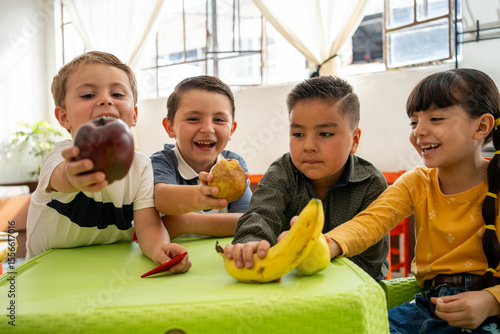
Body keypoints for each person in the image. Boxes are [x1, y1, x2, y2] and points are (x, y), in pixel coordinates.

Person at [325, 68, 500, 333]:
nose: (419, 131)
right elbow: (370, 221)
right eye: (413, 122)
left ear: (481, 126)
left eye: (436, 118)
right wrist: (329, 243)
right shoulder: (415, 182)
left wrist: (490, 301)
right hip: (427, 306)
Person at [26, 51, 191, 274]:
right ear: (64, 117)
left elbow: (148, 224)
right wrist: (73, 176)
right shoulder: (62, 155)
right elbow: (61, 177)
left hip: (108, 273)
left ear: (133, 115)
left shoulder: (141, 166)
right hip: (46, 273)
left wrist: (159, 248)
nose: (106, 100)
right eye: (87, 95)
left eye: (117, 94)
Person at [225, 75, 390, 281]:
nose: (308, 145)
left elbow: (370, 263)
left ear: (354, 140)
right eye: (298, 134)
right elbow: (261, 215)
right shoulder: (281, 172)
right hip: (291, 288)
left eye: (325, 134)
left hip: (353, 290)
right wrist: (251, 243)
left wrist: (316, 257)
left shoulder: (371, 183)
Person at [151, 75, 252, 239]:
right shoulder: (162, 161)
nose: (208, 129)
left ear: (232, 130)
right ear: (170, 127)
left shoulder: (235, 164)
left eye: (219, 119)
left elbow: (247, 221)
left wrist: (185, 222)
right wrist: (204, 194)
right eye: (193, 119)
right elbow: (161, 198)